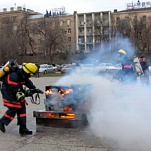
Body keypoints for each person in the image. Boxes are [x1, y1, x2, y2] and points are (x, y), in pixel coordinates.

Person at [0, 63, 41, 136]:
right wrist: (28, 93)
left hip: (15, 90)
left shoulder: (23, 75)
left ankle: (23, 129)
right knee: (14, 107)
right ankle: (1, 122)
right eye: (31, 74)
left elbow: (27, 82)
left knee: (22, 108)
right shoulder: (13, 77)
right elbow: (17, 92)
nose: (31, 76)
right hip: (8, 92)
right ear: (28, 72)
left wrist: (34, 89)